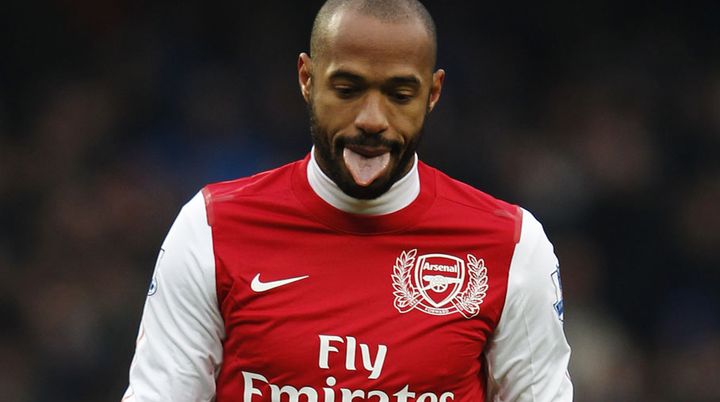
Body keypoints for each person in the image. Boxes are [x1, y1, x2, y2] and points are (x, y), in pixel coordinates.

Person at [122, 0, 573, 401]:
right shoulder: (212, 227)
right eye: (347, 89)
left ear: (432, 93)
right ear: (306, 79)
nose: (372, 119)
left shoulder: (510, 243)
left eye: (399, 94)